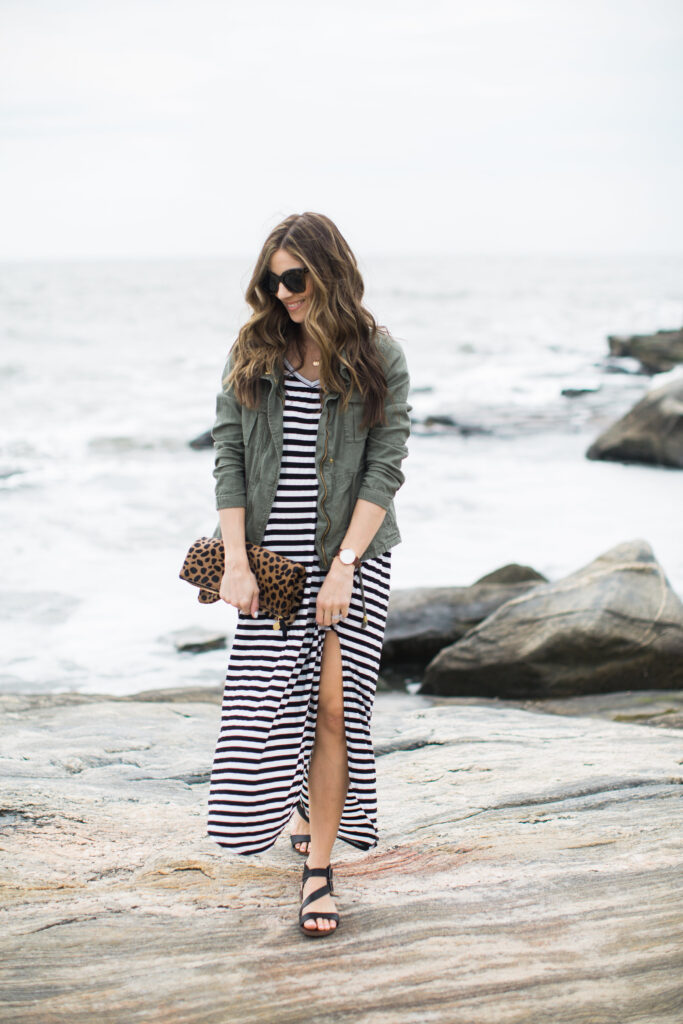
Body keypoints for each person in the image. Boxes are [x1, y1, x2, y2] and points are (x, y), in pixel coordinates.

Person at [206, 211, 411, 938]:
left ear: (329, 272)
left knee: (335, 711)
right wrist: (234, 560)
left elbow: (384, 466)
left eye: (294, 278)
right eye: (272, 280)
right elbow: (228, 456)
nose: (283, 292)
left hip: (350, 557)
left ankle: (317, 867)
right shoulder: (255, 349)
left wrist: (346, 565)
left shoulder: (377, 356)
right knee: (269, 709)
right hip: (269, 561)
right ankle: (293, 805)